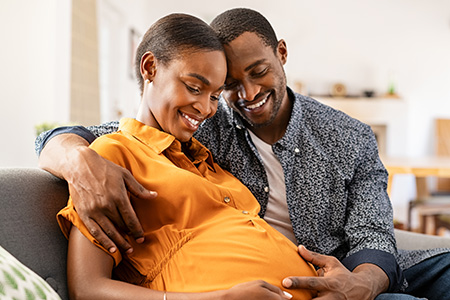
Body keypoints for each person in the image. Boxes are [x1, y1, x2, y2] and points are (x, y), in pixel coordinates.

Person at [36, 8, 450, 300]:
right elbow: (105, 136)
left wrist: (360, 284)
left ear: (281, 55)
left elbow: (373, 234)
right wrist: (78, 159)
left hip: (341, 269)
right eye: (227, 85)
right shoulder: (197, 124)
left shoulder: (348, 136)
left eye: (258, 72)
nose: (246, 95)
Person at [57, 12, 317, 300]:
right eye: (194, 87)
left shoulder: (205, 159)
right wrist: (221, 298)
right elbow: (87, 288)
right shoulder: (110, 157)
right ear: (150, 67)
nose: (206, 108)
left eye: (216, 95)